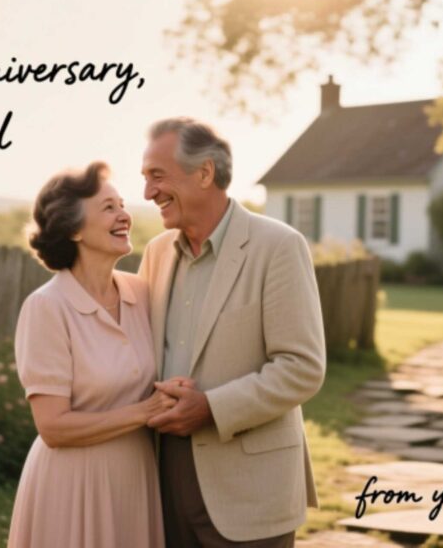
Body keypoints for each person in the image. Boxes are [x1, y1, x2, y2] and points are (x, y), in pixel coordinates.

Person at [138, 117, 327, 547]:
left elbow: (302, 368)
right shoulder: (155, 254)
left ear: (205, 173)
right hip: (164, 477)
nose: (148, 193)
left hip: (251, 490)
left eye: (157, 176)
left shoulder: (279, 246)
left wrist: (210, 408)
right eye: (145, 179)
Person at [7, 162, 173, 548]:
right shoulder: (47, 307)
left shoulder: (142, 294)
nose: (124, 215)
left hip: (135, 478)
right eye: (108, 207)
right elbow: (53, 427)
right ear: (74, 229)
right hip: (72, 486)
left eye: (122, 204)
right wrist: (145, 412)